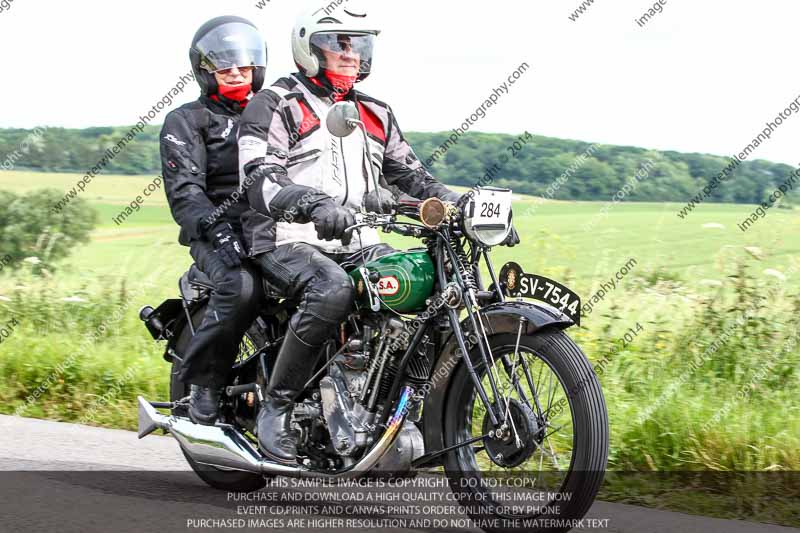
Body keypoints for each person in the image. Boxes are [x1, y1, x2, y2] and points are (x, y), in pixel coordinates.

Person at [160, 16, 268, 425]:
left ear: (257, 67)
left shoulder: (274, 115)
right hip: (215, 234)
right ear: (206, 72)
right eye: (225, 68)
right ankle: (205, 383)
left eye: (243, 66)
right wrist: (218, 229)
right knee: (240, 287)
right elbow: (185, 191)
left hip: (273, 229)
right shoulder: (187, 120)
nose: (236, 74)